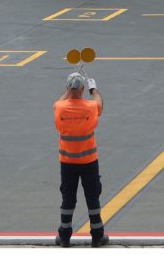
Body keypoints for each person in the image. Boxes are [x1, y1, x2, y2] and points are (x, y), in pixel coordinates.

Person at [53, 71, 107, 247]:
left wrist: (68, 91)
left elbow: (59, 102)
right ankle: (97, 236)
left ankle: (64, 236)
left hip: (68, 163)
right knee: (93, 198)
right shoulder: (90, 108)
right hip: (89, 162)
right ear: (83, 89)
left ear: (68, 88)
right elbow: (100, 104)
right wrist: (94, 89)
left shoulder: (60, 108)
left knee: (68, 199)